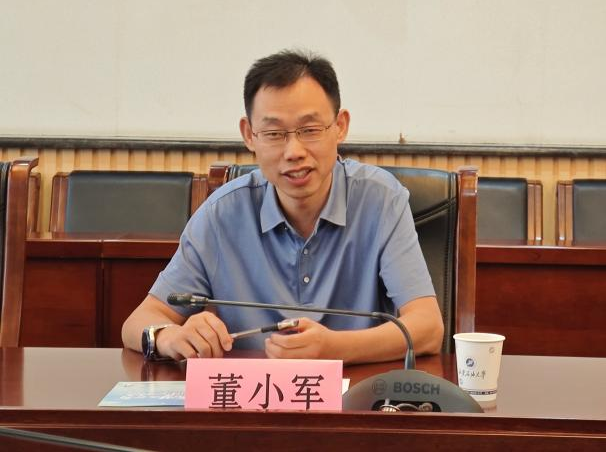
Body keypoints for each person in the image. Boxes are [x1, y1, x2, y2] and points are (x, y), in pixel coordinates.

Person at [122, 49, 444, 364]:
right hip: (252, 396)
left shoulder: (381, 200)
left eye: (310, 130)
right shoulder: (222, 214)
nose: (294, 152)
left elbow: (428, 328)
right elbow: (140, 321)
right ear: (249, 135)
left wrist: (335, 348)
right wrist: (168, 337)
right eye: (274, 133)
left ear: (340, 126)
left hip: (357, 394)